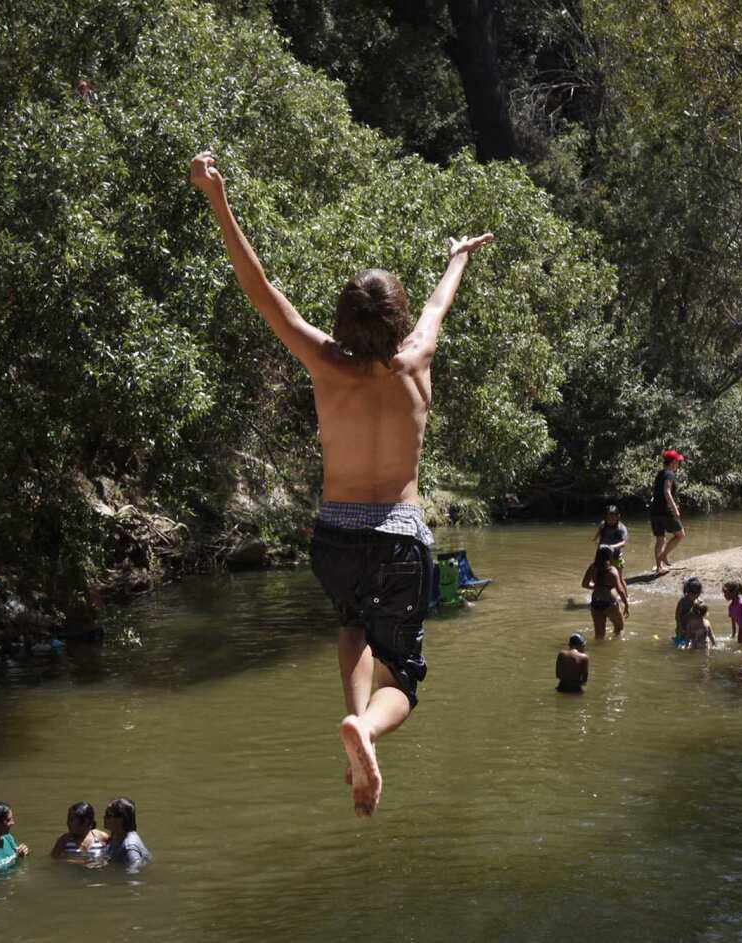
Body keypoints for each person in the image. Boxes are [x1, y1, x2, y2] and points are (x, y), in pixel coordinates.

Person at [192, 150, 493, 817]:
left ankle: (355, 722)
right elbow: (441, 305)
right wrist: (458, 257)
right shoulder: (417, 359)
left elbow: (259, 283)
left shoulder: (324, 363)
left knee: (352, 622)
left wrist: (217, 197)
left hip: (334, 537)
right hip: (399, 534)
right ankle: (373, 728)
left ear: (344, 319)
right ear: (396, 319)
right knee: (405, 678)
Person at [582, 545, 630, 638]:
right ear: (609, 556)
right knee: (619, 628)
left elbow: (584, 584)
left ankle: (598, 650)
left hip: (595, 602)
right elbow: (620, 590)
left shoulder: (592, 567)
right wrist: (626, 605)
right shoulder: (612, 571)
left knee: (599, 635)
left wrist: (596, 587)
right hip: (609, 602)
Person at [650, 450, 686, 574]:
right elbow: (666, 491)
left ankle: (659, 567)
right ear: (673, 462)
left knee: (660, 539)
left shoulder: (660, 473)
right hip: (665, 510)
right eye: (678, 461)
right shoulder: (670, 474)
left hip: (654, 510)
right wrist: (675, 508)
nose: (678, 464)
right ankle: (663, 555)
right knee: (680, 534)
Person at [103, 797, 152, 873]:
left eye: (108, 814)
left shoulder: (129, 848)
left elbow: (134, 875)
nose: (104, 817)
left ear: (120, 820)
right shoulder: (116, 835)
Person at [593, 505, 629, 571]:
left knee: (618, 577)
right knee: (599, 573)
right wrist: (596, 541)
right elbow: (597, 536)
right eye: (608, 519)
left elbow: (624, 543)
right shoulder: (603, 524)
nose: (610, 521)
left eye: (613, 519)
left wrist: (610, 546)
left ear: (618, 517)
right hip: (603, 554)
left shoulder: (621, 528)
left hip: (616, 556)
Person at [674, 577, 703, 643]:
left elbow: (702, 615)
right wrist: (680, 628)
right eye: (694, 595)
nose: (696, 597)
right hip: (682, 628)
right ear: (688, 592)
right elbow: (677, 616)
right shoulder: (683, 601)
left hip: (693, 628)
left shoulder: (699, 601)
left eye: (698, 594)